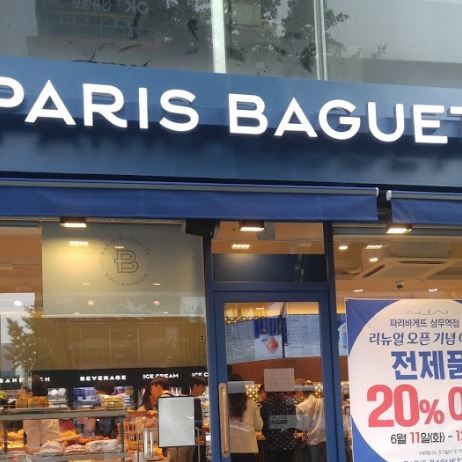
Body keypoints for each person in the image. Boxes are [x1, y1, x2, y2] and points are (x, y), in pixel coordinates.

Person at [228, 374, 263, 462]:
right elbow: (259, 426)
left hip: (229, 449)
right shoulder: (251, 403)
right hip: (248, 448)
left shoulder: (223, 404)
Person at [23, 375, 60, 451]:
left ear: (30, 393)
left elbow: (33, 435)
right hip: (54, 448)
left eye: (22, 391)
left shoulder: (32, 410)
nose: (20, 393)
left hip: (43, 450)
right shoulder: (50, 407)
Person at [261, 388, 296, 462]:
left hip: (272, 445)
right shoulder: (289, 400)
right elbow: (293, 424)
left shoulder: (266, 402)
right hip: (287, 444)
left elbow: (264, 425)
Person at [296, 382, 327, 462]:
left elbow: (300, 426)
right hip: (325, 437)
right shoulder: (323, 401)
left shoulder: (300, 406)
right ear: (314, 391)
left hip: (311, 439)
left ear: (302, 392)